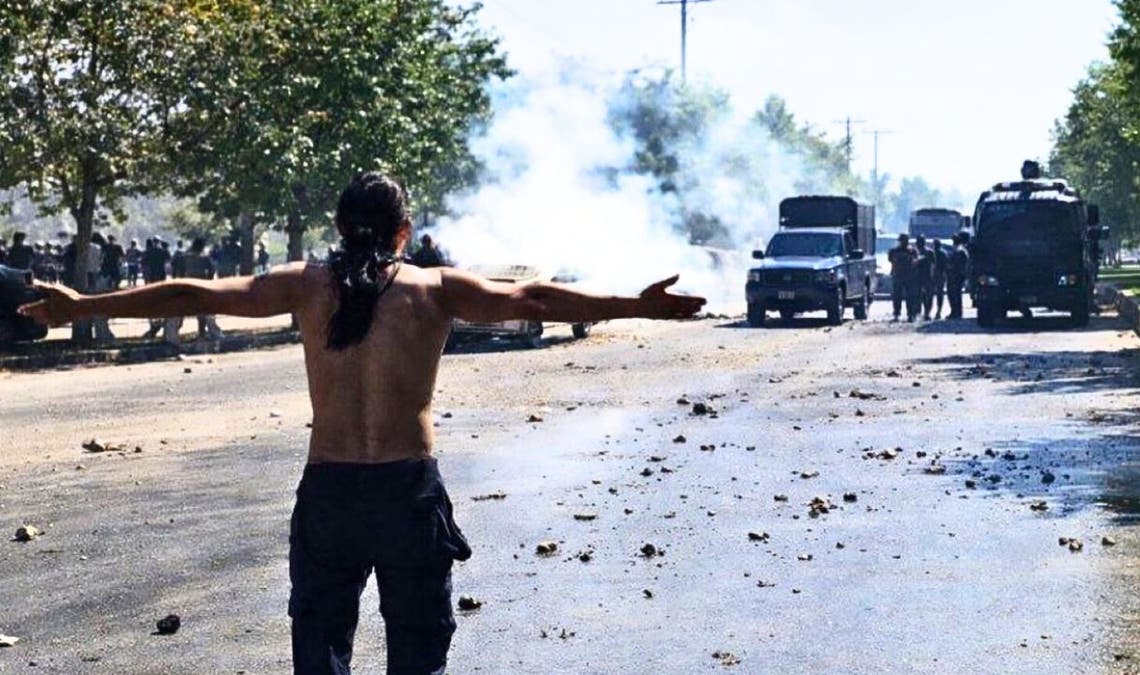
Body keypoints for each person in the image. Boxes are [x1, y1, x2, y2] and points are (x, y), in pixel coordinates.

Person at [18, 171, 706, 675]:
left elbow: (194, 291)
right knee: (417, 655)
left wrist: (81, 306)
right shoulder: (435, 289)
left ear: (339, 227)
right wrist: (635, 305)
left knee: (320, 656)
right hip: (407, 493)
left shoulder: (303, 285)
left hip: (332, 494)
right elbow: (532, 296)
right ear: (404, 232)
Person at [164, 238, 223, 342]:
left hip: (188, 285)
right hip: (201, 286)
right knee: (202, 312)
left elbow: (176, 268)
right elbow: (212, 270)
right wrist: (208, 281)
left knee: (181, 311)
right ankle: (202, 334)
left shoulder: (185, 257)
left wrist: (180, 279)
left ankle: (173, 334)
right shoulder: (205, 258)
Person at [888, 233, 918, 322]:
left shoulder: (912, 251)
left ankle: (911, 314)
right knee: (897, 296)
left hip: (910, 276)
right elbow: (891, 260)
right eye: (902, 241)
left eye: (905, 241)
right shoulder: (894, 251)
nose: (904, 242)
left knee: (910, 296)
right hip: (898, 276)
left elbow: (916, 261)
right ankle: (897, 313)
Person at [945, 233, 969, 320]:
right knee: (952, 294)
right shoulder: (956, 249)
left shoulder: (960, 250)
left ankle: (957, 312)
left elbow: (962, 264)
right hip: (953, 275)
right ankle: (954, 311)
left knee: (955, 294)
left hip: (957, 276)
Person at [913, 235, 934, 320]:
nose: (919, 244)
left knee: (927, 297)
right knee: (917, 297)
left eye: (921, 242)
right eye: (918, 242)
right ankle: (918, 313)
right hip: (916, 278)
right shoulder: (914, 252)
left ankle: (927, 313)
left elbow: (933, 265)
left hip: (926, 277)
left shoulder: (929, 252)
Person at [931, 239, 948, 320]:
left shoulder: (941, 254)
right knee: (935, 294)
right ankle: (935, 311)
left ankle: (938, 311)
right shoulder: (934, 253)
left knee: (938, 294)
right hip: (936, 276)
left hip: (939, 275)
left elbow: (945, 265)